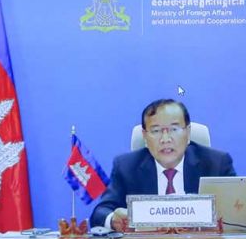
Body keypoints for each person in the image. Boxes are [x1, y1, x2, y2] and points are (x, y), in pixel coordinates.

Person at [90, 99, 236, 231]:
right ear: (145, 136)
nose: (165, 139)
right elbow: (100, 213)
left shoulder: (217, 163)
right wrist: (113, 220)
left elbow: (238, 209)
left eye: (174, 129)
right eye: (156, 131)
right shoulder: (126, 167)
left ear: (188, 132)